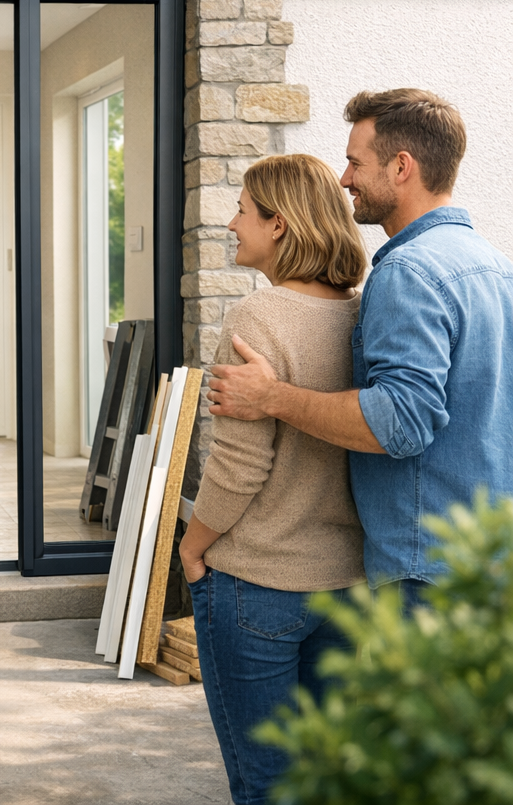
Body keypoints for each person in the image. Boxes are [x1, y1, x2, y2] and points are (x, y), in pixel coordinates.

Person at [207, 90, 513, 608]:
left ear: (401, 167)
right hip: (488, 560)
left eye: (354, 162)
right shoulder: (494, 265)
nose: (345, 179)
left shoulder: (406, 273)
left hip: (428, 571)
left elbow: (398, 422)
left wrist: (272, 397)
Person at [178, 155, 367, 805]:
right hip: (348, 585)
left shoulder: (255, 319)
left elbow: (239, 466)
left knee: (267, 781)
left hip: (257, 584)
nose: (230, 222)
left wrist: (193, 544)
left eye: (242, 209)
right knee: (329, 779)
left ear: (279, 224)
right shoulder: (363, 315)